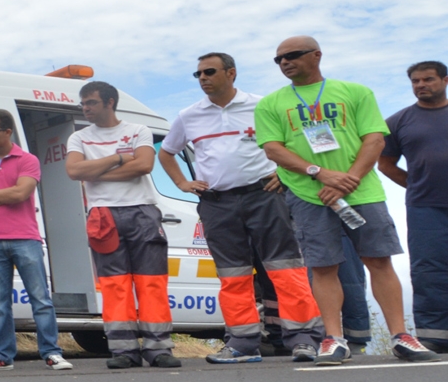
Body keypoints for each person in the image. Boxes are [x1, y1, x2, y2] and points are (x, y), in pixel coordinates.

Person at [255, 35, 433, 364]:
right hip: (309, 195)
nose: (285, 62)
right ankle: (334, 339)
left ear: (316, 55)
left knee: (379, 260)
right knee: (323, 267)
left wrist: (346, 180)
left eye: (293, 55)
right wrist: (320, 173)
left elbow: (374, 140)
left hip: (362, 191)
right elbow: (273, 149)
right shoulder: (270, 103)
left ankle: (401, 337)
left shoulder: (356, 92)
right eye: (279, 59)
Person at [160, 51, 324, 364]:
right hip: (217, 203)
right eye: (198, 74)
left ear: (231, 73)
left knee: (286, 269)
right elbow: (166, 152)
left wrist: (285, 174)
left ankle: (304, 339)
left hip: (264, 196)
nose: (203, 78)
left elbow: (299, 141)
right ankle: (242, 344)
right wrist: (183, 182)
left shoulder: (263, 105)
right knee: (232, 275)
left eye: (209, 72)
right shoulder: (189, 115)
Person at [66, 80, 180, 369]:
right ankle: (123, 350)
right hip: (103, 214)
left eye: (91, 102)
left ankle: (159, 349)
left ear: (110, 102)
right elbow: (74, 170)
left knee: (151, 282)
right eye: (83, 103)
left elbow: (143, 165)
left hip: (142, 211)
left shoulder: (138, 130)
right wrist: (118, 158)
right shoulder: (78, 137)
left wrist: (96, 173)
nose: (85, 108)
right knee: (114, 285)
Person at [0, 111, 71, 371]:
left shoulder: (28, 159)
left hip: (26, 238)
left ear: (7, 132)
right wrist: (7, 194)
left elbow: (22, 194)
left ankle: (51, 352)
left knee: (40, 299)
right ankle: (2, 355)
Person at [377, 61, 448, 353]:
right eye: (415, 81)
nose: (421, 85)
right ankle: (436, 335)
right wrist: (416, 184)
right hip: (425, 207)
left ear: (445, 80)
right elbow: (385, 164)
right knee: (429, 269)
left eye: (428, 79)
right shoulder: (399, 121)